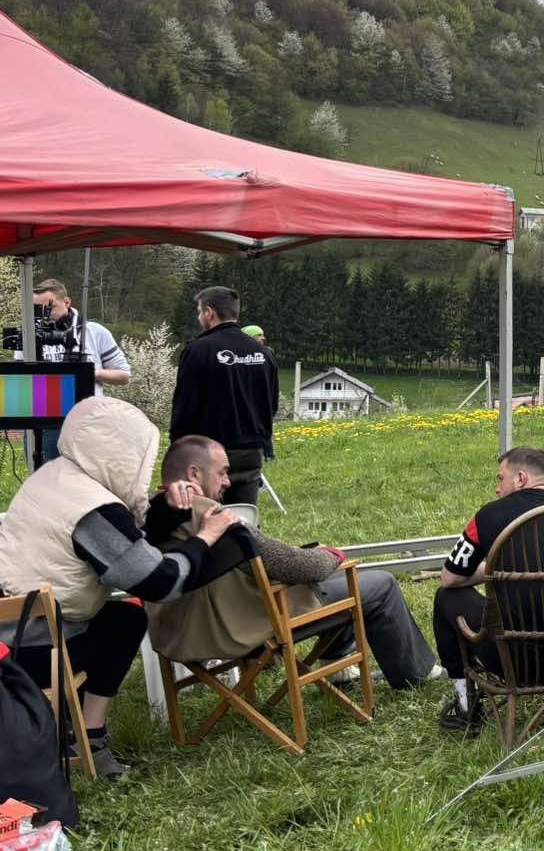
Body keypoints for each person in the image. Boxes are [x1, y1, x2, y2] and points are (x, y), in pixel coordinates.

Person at [0, 397, 247, 777]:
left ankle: (75, 727)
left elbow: (124, 539)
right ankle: (87, 737)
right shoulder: (94, 511)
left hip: (11, 632)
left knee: (121, 617)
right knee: (128, 621)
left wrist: (166, 505)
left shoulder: (55, 477)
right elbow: (159, 583)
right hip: (32, 650)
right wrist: (206, 538)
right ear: (121, 454)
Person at [143, 436, 436, 691]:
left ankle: (338, 666)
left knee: (328, 584)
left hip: (178, 632)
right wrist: (330, 555)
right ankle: (416, 674)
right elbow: (294, 566)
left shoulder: (152, 517)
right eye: (222, 472)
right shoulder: (215, 519)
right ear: (194, 473)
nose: (227, 482)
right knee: (376, 583)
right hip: (243, 625)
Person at [433, 447, 544, 734]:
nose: (496, 488)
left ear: (521, 478)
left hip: (510, 657)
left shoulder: (487, 517)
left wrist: (492, 569)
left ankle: (466, 705)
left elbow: (449, 578)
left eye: (501, 478)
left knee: (445, 597)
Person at [170, 286, 278, 506]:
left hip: (208, 453)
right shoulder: (263, 353)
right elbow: (272, 403)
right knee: (244, 518)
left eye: (200, 311)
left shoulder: (198, 351)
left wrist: (178, 449)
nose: (199, 317)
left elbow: (185, 406)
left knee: (206, 516)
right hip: (251, 450)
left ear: (209, 312)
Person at [27, 279, 131, 470]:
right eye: (38, 309)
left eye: (50, 307)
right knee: (48, 479)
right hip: (46, 421)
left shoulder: (94, 332)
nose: (45, 315)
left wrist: (91, 372)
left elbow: (124, 375)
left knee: (87, 479)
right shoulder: (29, 336)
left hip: (88, 420)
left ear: (67, 302)